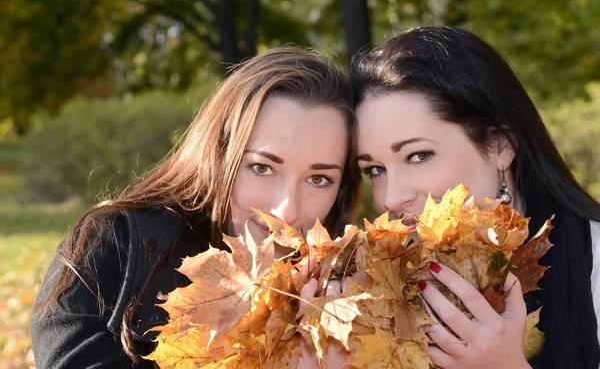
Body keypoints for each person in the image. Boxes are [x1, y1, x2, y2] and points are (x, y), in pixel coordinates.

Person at [30, 47, 362, 368]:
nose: (288, 211)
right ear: (219, 157)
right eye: (262, 168)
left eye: (319, 179)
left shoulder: (357, 299)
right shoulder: (114, 247)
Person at [350, 26, 600, 369]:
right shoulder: (375, 291)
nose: (390, 198)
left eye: (419, 156)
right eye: (374, 170)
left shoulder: (593, 263)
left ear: (501, 146)